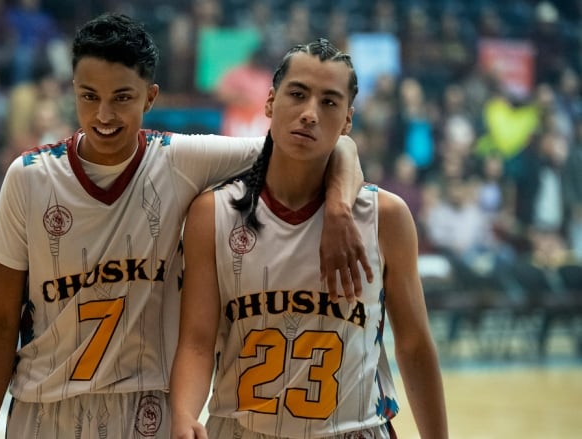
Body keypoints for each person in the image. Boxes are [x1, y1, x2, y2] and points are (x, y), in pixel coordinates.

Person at [0, 14, 372, 439]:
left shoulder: (180, 159)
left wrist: (340, 208)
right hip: (43, 407)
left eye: (122, 97)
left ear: (150, 96)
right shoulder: (28, 177)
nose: (104, 114)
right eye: (90, 96)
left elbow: (334, 143)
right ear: (74, 91)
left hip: (149, 408)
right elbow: (0, 321)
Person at [170, 39, 447, 438]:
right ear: (269, 102)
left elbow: (415, 345)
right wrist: (183, 414)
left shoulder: (386, 217)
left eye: (329, 102)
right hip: (241, 429)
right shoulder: (212, 212)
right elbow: (197, 341)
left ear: (348, 120)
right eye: (297, 94)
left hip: (355, 430)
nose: (310, 114)